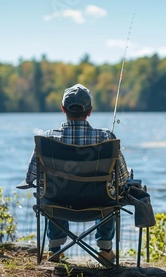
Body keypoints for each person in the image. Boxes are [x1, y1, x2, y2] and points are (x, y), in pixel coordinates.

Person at [22, 83, 130, 262]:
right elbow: (122, 179)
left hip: (59, 205)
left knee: (52, 192)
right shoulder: (106, 138)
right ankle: (105, 249)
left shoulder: (47, 139)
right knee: (111, 194)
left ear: (63, 108)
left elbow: (31, 177)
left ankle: (55, 249)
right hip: (98, 205)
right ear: (90, 111)